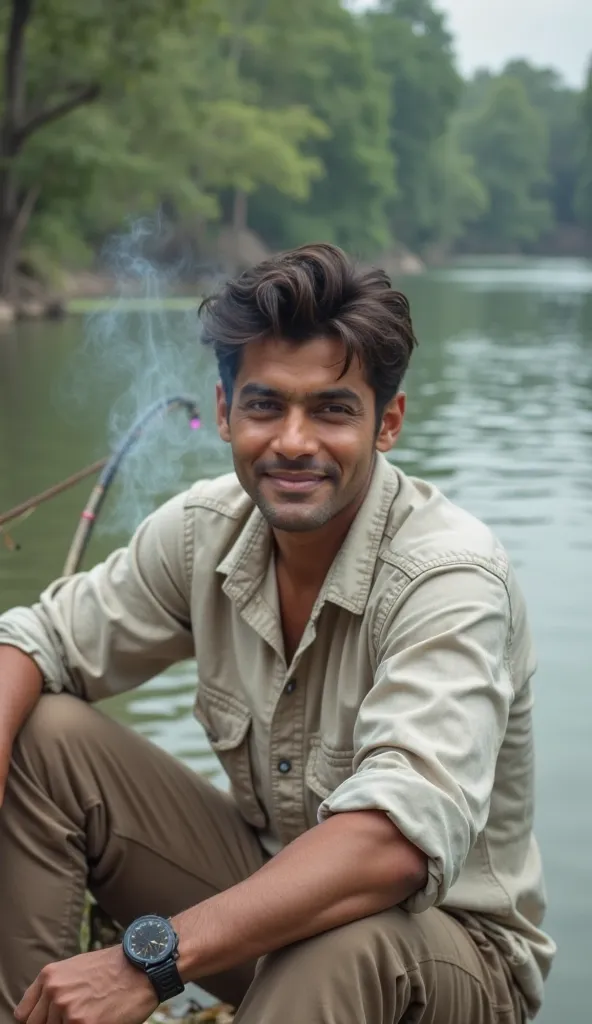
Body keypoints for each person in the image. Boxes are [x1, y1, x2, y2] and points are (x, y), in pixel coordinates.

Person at [0, 243, 554, 1024]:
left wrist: (141, 962)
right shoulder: (203, 530)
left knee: (341, 935)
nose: (294, 442)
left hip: (446, 961)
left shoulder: (450, 577)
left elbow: (393, 843)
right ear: (225, 412)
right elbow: (33, 638)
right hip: (265, 916)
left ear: (387, 422)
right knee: (41, 732)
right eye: (266, 406)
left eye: (331, 409)